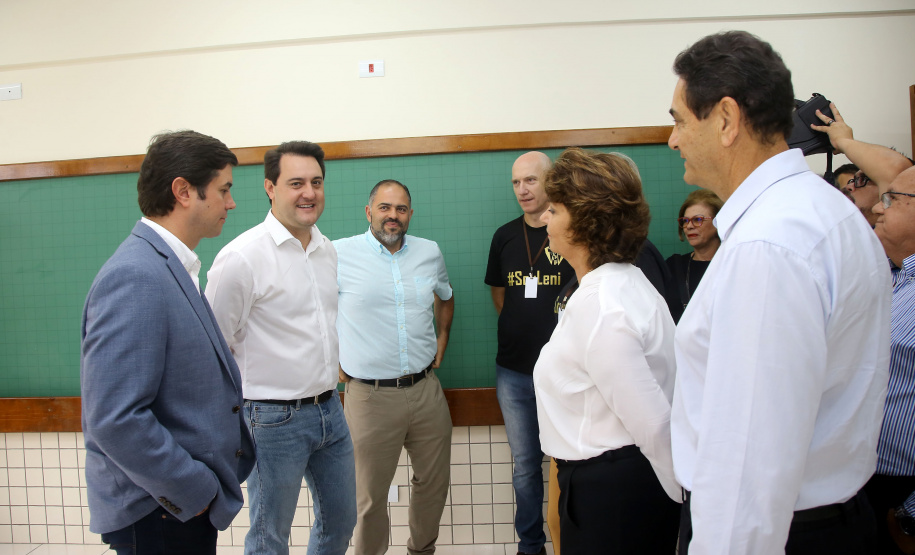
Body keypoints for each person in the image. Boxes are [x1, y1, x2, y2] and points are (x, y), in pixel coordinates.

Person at [667, 31, 891, 554]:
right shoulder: (821, 210)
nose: (672, 138)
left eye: (679, 119)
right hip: (828, 518)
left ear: (725, 119)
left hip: (779, 530)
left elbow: (747, 470)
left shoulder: (768, 246)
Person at [80, 130, 255, 554]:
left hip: (173, 507)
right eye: (223, 189)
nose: (231, 203)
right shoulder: (137, 275)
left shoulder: (172, 266)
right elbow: (115, 418)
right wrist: (194, 491)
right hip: (160, 510)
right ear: (183, 191)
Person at [205, 141, 356, 554]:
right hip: (272, 419)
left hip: (330, 410)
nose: (309, 192)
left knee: (341, 522)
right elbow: (214, 346)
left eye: (316, 182)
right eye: (296, 183)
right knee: (270, 536)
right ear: (270, 187)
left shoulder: (327, 252)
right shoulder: (241, 257)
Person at [533, 147, 681, 554]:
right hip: (611, 485)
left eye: (555, 210)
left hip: (615, 496)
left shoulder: (603, 304)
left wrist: (678, 498)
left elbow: (653, 422)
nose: (545, 218)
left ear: (585, 223)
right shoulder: (618, 283)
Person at [335, 179, 455, 555]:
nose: (393, 216)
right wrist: (331, 358)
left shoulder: (429, 252)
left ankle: (422, 550)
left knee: (433, 484)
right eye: (385, 208)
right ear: (369, 212)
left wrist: (443, 337)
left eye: (401, 209)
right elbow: (313, 311)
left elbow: (446, 297)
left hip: (425, 392)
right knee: (369, 497)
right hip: (368, 398)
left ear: (410, 214)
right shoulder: (337, 255)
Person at [484, 151, 573, 555]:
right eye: (516, 182)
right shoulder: (504, 236)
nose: (522, 189)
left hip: (565, 372)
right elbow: (500, 295)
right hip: (514, 372)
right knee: (525, 466)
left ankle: (568, 541)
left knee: (567, 460)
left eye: (531, 181)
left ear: (549, 181)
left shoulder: (569, 230)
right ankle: (530, 546)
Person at [867, 165, 915, 554]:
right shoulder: (894, 278)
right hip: (868, 484)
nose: (879, 210)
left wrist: (910, 514)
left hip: (902, 495)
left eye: (892, 200)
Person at [810, 103, 913, 227]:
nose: (849, 187)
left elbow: (895, 167)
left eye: (862, 179)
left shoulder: (891, 229)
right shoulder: (843, 233)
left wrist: (843, 141)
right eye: (852, 180)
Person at [665, 189, 723, 319]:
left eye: (697, 219)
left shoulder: (733, 264)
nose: (689, 226)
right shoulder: (673, 266)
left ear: (717, 222)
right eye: (685, 221)